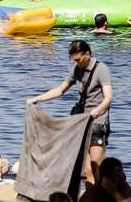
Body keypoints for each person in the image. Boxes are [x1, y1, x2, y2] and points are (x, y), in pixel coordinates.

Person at [26, 39, 113, 184]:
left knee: (96, 165)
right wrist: (36, 99)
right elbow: (60, 90)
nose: (76, 63)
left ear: (88, 54)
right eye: (73, 60)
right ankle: (90, 198)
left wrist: (96, 112)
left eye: (78, 59)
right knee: (86, 170)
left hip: (98, 122)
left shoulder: (101, 69)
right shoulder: (76, 70)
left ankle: (101, 197)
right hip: (81, 122)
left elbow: (109, 97)